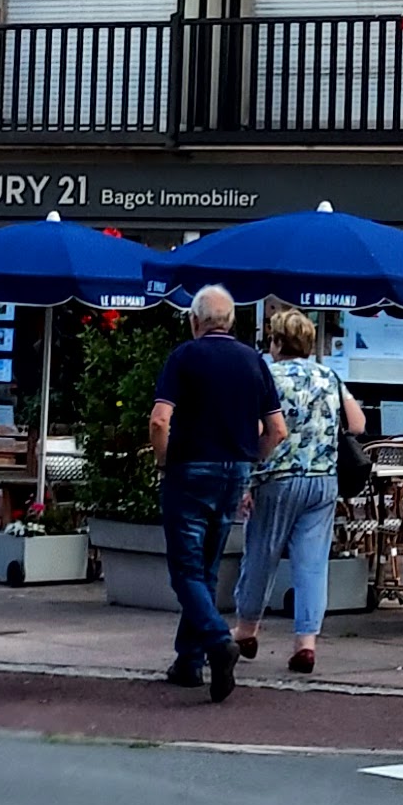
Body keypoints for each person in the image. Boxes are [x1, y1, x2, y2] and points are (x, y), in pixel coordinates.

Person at [145, 287, 283, 701]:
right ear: (232, 322)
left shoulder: (184, 357)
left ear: (195, 320)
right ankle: (189, 661)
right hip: (234, 469)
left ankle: (218, 641)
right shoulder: (254, 361)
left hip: (190, 469)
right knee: (206, 567)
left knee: (185, 570)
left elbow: (159, 420)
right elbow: (277, 430)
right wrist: (250, 459)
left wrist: (163, 460)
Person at [231, 307, 362, 678]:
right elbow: (357, 423)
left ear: (276, 342)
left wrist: (245, 481)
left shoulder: (265, 375)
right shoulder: (328, 375)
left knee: (261, 555)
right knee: (312, 564)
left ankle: (247, 630)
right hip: (323, 480)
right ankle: (306, 643)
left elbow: (254, 430)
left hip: (276, 478)